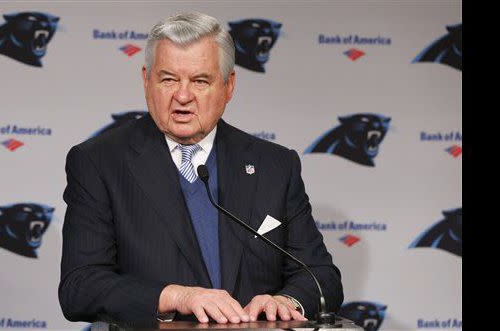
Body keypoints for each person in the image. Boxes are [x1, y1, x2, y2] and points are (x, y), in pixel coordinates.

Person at [59, 11, 343, 324]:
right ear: (146, 80)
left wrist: (286, 301)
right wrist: (175, 296)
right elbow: (79, 288)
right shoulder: (100, 162)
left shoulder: (274, 165)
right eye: (168, 79)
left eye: (200, 81)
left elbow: (321, 277)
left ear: (228, 86)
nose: (182, 96)